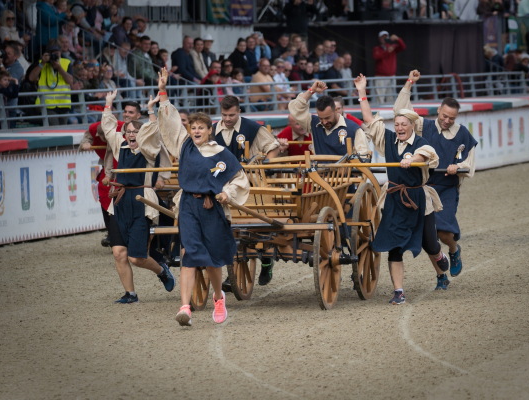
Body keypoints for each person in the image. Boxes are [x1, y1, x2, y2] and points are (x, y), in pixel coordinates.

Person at [155, 70, 250, 326]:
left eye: (201, 128)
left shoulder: (222, 153)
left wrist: (225, 193)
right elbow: (172, 124)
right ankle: (184, 306)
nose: (196, 131)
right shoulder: (184, 146)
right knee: (189, 254)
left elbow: (239, 179)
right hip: (188, 204)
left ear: (210, 130)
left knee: (211, 258)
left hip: (212, 208)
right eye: (193, 128)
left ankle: (219, 298)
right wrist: (163, 92)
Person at [354, 73, 447, 304]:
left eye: (403, 125)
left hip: (418, 199)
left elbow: (424, 156)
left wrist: (411, 159)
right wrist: (361, 91)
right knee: (393, 246)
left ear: (412, 126)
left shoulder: (422, 143)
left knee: (429, 243)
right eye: (396, 125)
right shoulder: (388, 139)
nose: (399, 128)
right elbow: (368, 119)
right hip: (395, 198)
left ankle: (440, 262)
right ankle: (399, 292)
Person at [394, 70, 478, 278]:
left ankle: (453, 250)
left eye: (451, 118)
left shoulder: (463, 134)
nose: (447, 120)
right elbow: (401, 110)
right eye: (444, 116)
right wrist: (409, 83)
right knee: (427, 235)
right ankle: (441, 275)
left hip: (447, 188)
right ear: (438, 110)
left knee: (443, 232)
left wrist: (457, 167)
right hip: (423, 187)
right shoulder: (424, 126)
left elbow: (470, 164)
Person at [101, 89, 176, 304]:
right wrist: (108, 104)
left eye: (135, 131)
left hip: (142, 202)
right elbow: (108, 128)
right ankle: (130, 294)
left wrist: (151, 110)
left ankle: (162, 270)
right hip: (121, 202)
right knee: (118, 253)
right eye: (128, 131)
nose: (131, 134)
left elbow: (153, 131)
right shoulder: (120, 144)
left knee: (136, 257)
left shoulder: (148, 147)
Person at [214, 94, 280, 286]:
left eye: (232, 115)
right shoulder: (212, 131)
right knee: (229, 228)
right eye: (224, 115)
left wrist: (267, 165)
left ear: (239, 112)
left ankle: (267, 260)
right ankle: (232, 272)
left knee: (258, 224)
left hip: (251, 185)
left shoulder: (252, 128)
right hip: (221, 186)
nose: (227, 119)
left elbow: (273, 147)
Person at [288, 80, 369, 156]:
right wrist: (311, 90)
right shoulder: (313, 123)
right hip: (320, 171)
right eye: (321, 118)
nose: (324, 122)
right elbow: (295, 109)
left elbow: (364, 158)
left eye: (327, 118)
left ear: (336, 110)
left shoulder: (354, 129)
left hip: (347, 171)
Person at [27, 43, 73, 126]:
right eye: (52, 53)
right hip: (47, 105)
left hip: (63, 105)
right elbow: (31, 78)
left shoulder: (66, 63)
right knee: (56, 129)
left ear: (60, 53)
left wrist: (59, 68)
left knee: (63, 132)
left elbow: (70, 81)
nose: (55, 55)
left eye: (57, 53)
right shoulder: (41, 63)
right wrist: (43, 63)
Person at [373, 31, 406, 104]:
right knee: (379, 98)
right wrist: (387, 52)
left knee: (391, 98)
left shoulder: (392, 46)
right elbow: (376, 57)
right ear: (379, 38)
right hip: (380, 77)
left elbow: (403, 47)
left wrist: (397, 39)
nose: (384, 38)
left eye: (386, 36)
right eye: (382, 37)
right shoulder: (376, 48)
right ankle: (379, 114)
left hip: (391, 76)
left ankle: (391, 114)